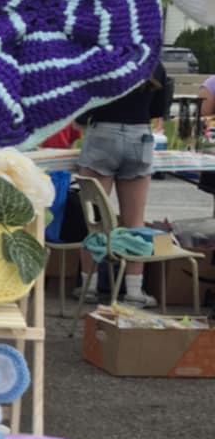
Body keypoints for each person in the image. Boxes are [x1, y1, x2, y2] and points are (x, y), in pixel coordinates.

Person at [77, 60, 172, 307]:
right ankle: (134, 290)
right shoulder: (154, 63)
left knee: (95, 220)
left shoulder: (100, 60)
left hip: (102, 135)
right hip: (139, 136)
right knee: (135, 222)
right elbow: (157, 110)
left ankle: (89, 286)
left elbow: (82, 107)